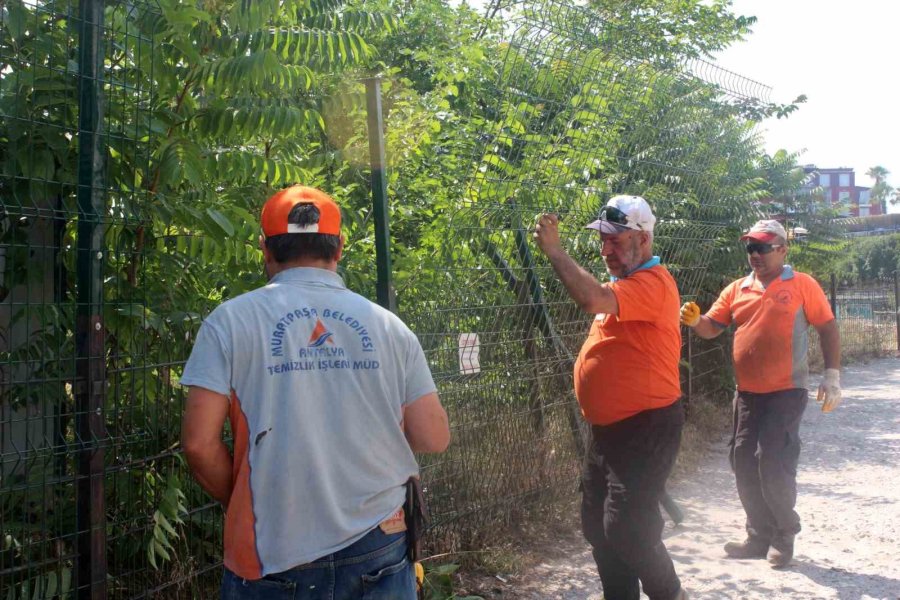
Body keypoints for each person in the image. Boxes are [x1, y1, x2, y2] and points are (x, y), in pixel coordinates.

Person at [179, 185, 450, 599]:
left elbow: (198, 445)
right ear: (339, 248)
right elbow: (433, 437)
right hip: (379, 542)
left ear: (265, 249)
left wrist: (244, 500)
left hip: (272, 547)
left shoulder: (229, 323)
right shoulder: (389, 327)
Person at [534, 195, 687, 600]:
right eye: (602, 241)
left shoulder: (653, 283)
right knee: (597, 528)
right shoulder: (624, 285)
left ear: (643, 237)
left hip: (646, 426)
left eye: (615, 241)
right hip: (608, 431)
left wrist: (555, 251)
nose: (605, 251)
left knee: (628, 528)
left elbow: (590, 299)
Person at [680, 219, 841, 568]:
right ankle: (758, 535)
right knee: (741, 461)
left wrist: (832, 375)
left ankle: (785, 532)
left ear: (783, 249)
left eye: (763, 247)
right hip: (748, 393)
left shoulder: (802, 285)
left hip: (787, 391)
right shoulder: (737, 289)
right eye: (750, 247)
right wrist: (695, 322)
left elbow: (828, 328)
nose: (755, 254)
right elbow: (712, 327)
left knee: (773, 462)